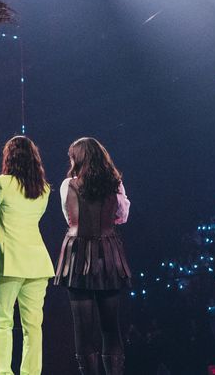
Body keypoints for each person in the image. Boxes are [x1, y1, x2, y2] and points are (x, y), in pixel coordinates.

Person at [55, 138, 133, 375]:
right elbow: (122, 216)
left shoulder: (68, 184)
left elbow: (70, 219)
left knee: (83, 328)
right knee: (111, 326)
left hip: (77, 257)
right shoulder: (114, 184)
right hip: (108, 256)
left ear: (77, 159)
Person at [0, 135, 55, 375]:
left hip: (8, 262)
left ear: (9, 157)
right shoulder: (44, 190)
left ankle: (2, 373)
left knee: (1, 322)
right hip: (38, 264)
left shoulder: (1, 183)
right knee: (33, 327)